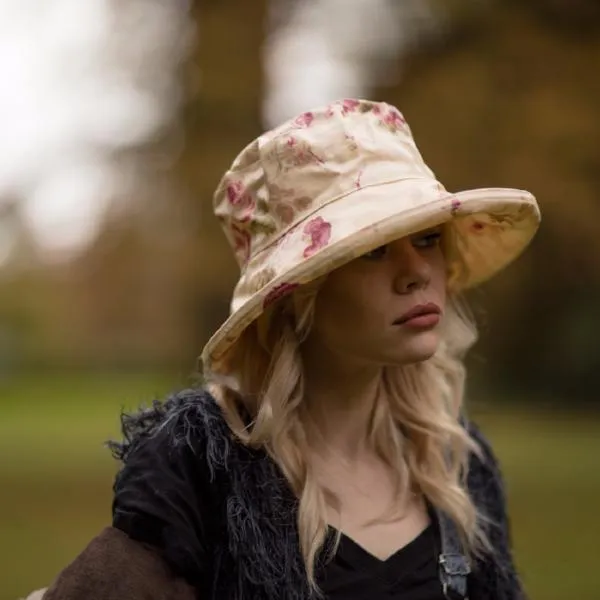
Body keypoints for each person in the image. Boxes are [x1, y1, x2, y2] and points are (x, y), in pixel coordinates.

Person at [27, 99, 540, 600]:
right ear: (297, 293)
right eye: (375, 249)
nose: (415, 273)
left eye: (427, 239)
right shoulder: (204, 468)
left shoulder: (455, 463)